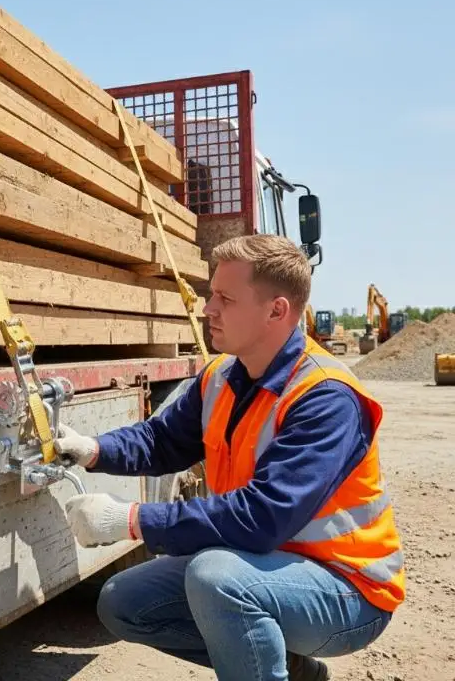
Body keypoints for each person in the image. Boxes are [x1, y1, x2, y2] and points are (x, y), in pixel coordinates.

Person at [55, 235, 404, 681]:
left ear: (276, 311)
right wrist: (94, 449)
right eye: (210, 295)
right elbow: (163, 440)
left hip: (347, 590)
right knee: (124, 602)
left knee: (216, 577)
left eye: (225, 298)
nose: (207, 309)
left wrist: (129, 520)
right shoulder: (222, 375)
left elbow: (261, 518)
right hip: (263, 566)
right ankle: (294, 671)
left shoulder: (326, 398)